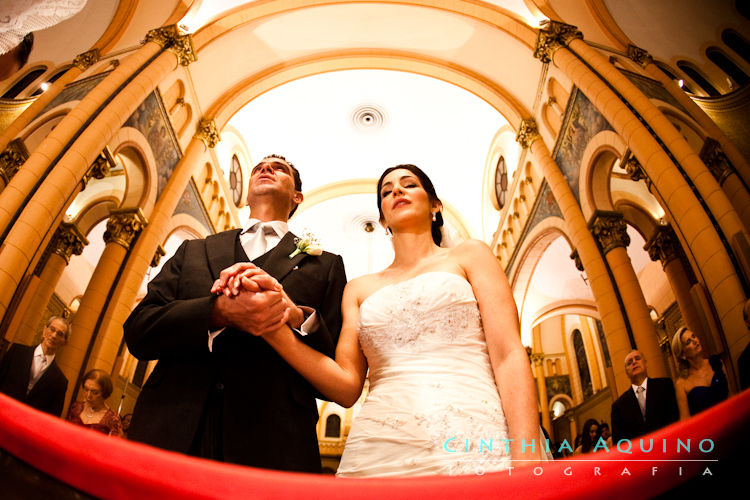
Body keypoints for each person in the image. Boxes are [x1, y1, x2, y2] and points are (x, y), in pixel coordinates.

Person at [220, 164, 546, 476]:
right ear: (382, 218)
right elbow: (347, 387)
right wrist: (273, 323)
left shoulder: (471, 255)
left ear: (435, 205)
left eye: (409, 184)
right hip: (379, 443)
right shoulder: (359, 290)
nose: (397, 191)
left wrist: (527, 453)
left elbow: (508, 354)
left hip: (472, 427)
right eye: (387, 191)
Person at [124, 155, 347, 472]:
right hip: (173, 428)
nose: (265, 169)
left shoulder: (325, 265)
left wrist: (298, 317)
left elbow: (333, 374)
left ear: (297, 196)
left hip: (272, 444)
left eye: (278, 168)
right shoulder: (195, 250)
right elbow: (139, 332)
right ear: (245, 195)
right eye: (259, 167)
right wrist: (216, 312)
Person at [0, 316, 70, 416]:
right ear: (44, 330)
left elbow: (52, 417)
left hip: (27, 426)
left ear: (64, 342)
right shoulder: (16, 352)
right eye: (52, 329)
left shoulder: (61, 381)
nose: (54, 336)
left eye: (60, 334)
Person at [610, 350, 678, 443]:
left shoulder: (665, 385)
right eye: (629, 363)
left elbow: (675, 418)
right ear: (627, 373)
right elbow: (620, 442)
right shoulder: (618, 406)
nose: (634, 362)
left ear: (645, 364)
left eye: (637, 358)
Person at [672, 327, 730, 418]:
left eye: (693, 336)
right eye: (688, 342)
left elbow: (731, 395)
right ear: (682, 355)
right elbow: (685, 420)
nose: (695, 341)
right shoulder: (681, 384)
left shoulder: (717, 363)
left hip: (730, 420)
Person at [66, 369, 123, 436]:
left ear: (105, 393)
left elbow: (113, 444)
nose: (88, 396)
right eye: (86, 389)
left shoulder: (112, 419)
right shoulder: (76, 407)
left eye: (95, 392)